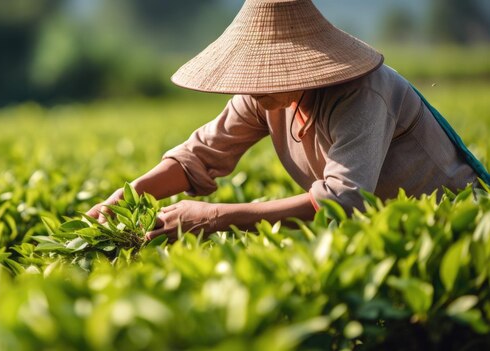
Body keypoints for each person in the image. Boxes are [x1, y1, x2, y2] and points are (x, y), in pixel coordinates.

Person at [87, 0, 487, 241]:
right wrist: (125, 198)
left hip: (452, 227)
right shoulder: (264, 96)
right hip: (383, 231)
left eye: (270, 71)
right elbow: (201, 155)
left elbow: (343, 200)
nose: (256, 85)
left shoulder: (362, 94)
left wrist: (214, 217)